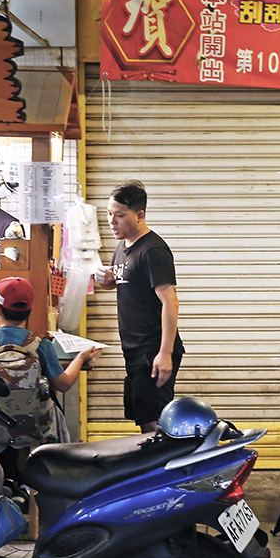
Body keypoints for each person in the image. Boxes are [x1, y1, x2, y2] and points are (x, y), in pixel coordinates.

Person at [94, 180, 183, 434]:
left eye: (120, 216)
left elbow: (170, 302)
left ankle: (170, 472)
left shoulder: (153, 250)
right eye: (109, 214)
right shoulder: (123, 246)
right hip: (134, 350)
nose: (112, 221)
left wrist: (164, 354)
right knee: (144, 418)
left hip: (152, 350)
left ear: (140, 215)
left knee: (156, 423)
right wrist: (106, 281)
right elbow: (125, 284)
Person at [0, 276, 103, 445]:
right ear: (29, 310)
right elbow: (63, 385)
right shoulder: (39, 345)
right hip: (33, 431)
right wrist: (80, 358)